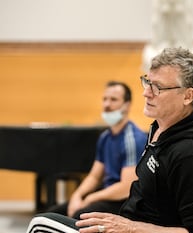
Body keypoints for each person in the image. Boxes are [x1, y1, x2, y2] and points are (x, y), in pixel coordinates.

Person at [26, 47, 193, 233]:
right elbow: (96, 176)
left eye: (158, 87)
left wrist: (132, 227)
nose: (146, 93)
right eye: (147, 82)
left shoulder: (191, 152)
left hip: (131, 227)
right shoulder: (160, 127)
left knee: (40, 224)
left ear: (188, 96)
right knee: (50, 218)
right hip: (125, 223)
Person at [46, 81, 147, 220]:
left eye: (113, 100)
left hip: (123, 202)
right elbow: (94, 176)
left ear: (127, 105)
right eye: (105, 99)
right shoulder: (105, 137)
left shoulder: (133, 139)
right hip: (106, 194)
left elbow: (126, 187)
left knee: (78, 217)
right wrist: (77, 196)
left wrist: (91, 198)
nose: (107, 104)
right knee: (50, 216)